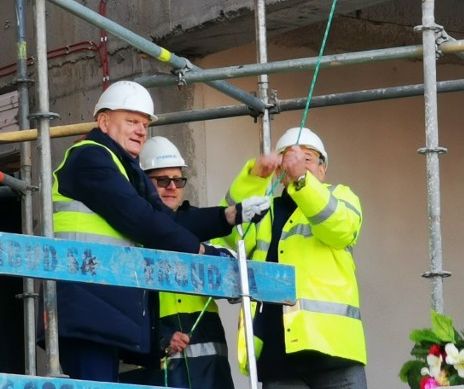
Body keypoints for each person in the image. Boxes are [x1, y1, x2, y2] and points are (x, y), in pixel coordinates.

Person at [50, 80, 268, 383]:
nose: (141, 129)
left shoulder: (123, 167)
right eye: (131, 121)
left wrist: (228, 216)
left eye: (145, 123)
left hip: (104, 305)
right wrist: (203, 252)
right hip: (87, 304)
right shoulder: (89, 158)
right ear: (103, 121)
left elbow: (165, 221)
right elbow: (142, 219)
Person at [221, 127, 368, 389]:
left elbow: (341, 229)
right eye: (290, 159)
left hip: (333, 350)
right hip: (277, 353)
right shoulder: (265, 210)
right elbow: (229, 232)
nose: (298, 164)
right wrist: (254, 179)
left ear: (323, 169)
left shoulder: (341, 196)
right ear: (280, 171)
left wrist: (302, 181)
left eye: (308, 159)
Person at [139, 136, 241, 389]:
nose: (172, 187)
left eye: (178, 180)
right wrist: (160, 337)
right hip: (156, 369)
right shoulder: (130, 237)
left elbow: (233, 270)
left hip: (209, 372)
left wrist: (204, 252)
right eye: (162, 180)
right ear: (142, 183)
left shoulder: (197, 228)